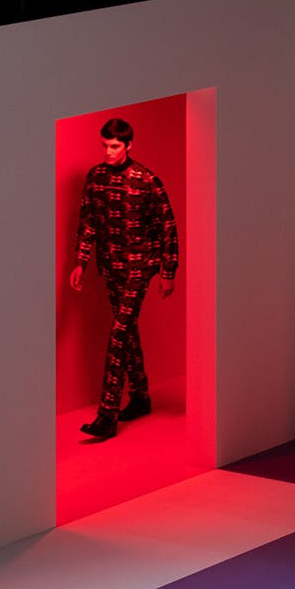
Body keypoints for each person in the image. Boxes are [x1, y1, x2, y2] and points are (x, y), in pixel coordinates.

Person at [70, 118, 178, 440]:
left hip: (138, 268)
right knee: (127, 333)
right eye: (105, 145)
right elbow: (88, 221)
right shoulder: (96, 177)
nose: (108, 151)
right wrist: (81, 262)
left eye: (115, 146)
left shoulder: (147, 181)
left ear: (129, 145)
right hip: (110, 267)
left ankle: (107, 415)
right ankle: (141, 396)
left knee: (118, 334)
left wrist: (168, 272)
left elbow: (167, 226)